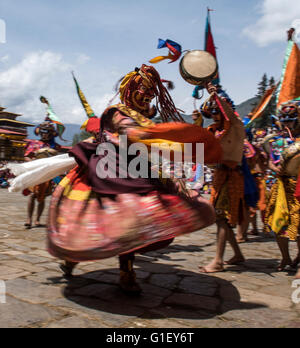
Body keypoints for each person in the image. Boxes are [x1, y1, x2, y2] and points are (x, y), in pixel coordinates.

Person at [47, 64, 222, 295]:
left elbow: (143, 143)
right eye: (144, 92)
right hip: (104, 168)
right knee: (85, 221)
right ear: (131, 90)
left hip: (133, 168)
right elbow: (125, 131)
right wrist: (140, 133)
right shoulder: (116, 111)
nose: (148, 98)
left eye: (151, 94)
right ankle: (71, 260)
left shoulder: (142, 117)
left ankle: (126, 272)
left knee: (130, 221)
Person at [199, 84, 246, 273]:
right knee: (222, 218)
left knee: (221, 218)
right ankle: (238, 254)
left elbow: (229, 115)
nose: (215, 116)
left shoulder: (236, 126)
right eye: (213, 113)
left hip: (231, 177)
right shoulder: (214, 131)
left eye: (218, 112)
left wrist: (215, 95)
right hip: (218, 176)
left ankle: (218, 261)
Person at [264, 100, 300, 273]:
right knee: (279, 224)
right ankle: (285, 256)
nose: (287, 123)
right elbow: (270, 161)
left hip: (298, 185)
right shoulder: (276, 141)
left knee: (299, 225)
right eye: (284, 120)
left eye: (290, 120)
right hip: (281, 186)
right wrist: (274, 167)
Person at [24, 121, 61, 229]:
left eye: (47, 132)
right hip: (35, 173)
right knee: (32, 195)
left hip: (46, 175)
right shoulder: (34, 144)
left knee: (42, 198)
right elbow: (26, 156)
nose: (45, 134)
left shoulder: (55, 146)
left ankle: (37, 219)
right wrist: (33, 161)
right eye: (43, 131)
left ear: (51, 133)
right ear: (40, 132)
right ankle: (29, 219)